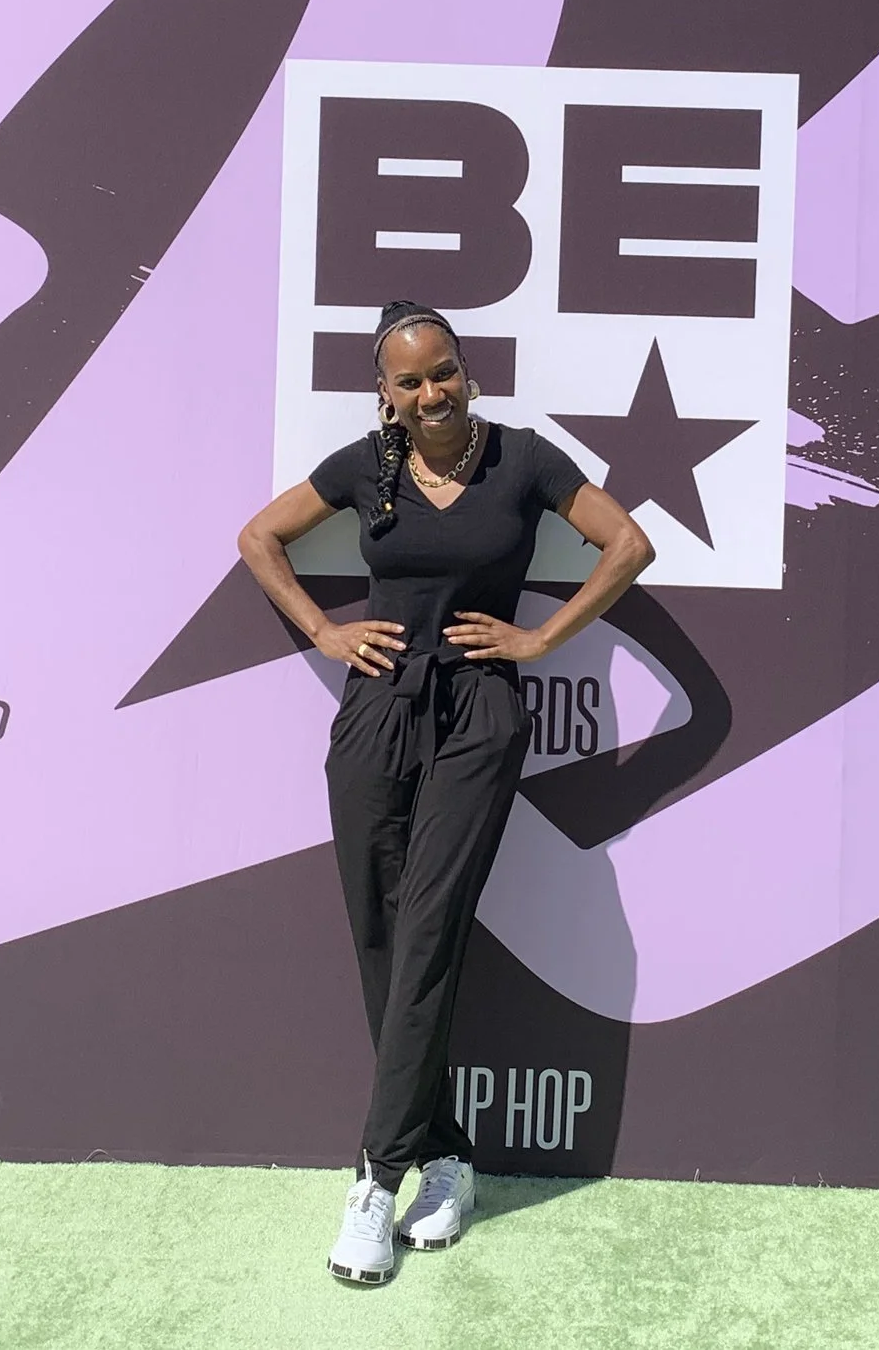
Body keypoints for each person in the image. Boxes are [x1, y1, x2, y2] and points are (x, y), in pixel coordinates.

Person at [237, 300, 655, 1284]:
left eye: (445, 373)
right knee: (381, 935)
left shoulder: (524, 460)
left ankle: (375, 1183)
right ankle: (451, 1157)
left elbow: (628, 543)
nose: (432, 393)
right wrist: (327, 632)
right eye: (410, 380)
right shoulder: (365, 466)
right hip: (376, 711)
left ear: (468, 372)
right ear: (384, 391)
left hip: (477, 713)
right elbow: (259, 538)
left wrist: (540, 640)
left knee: (427, 928)